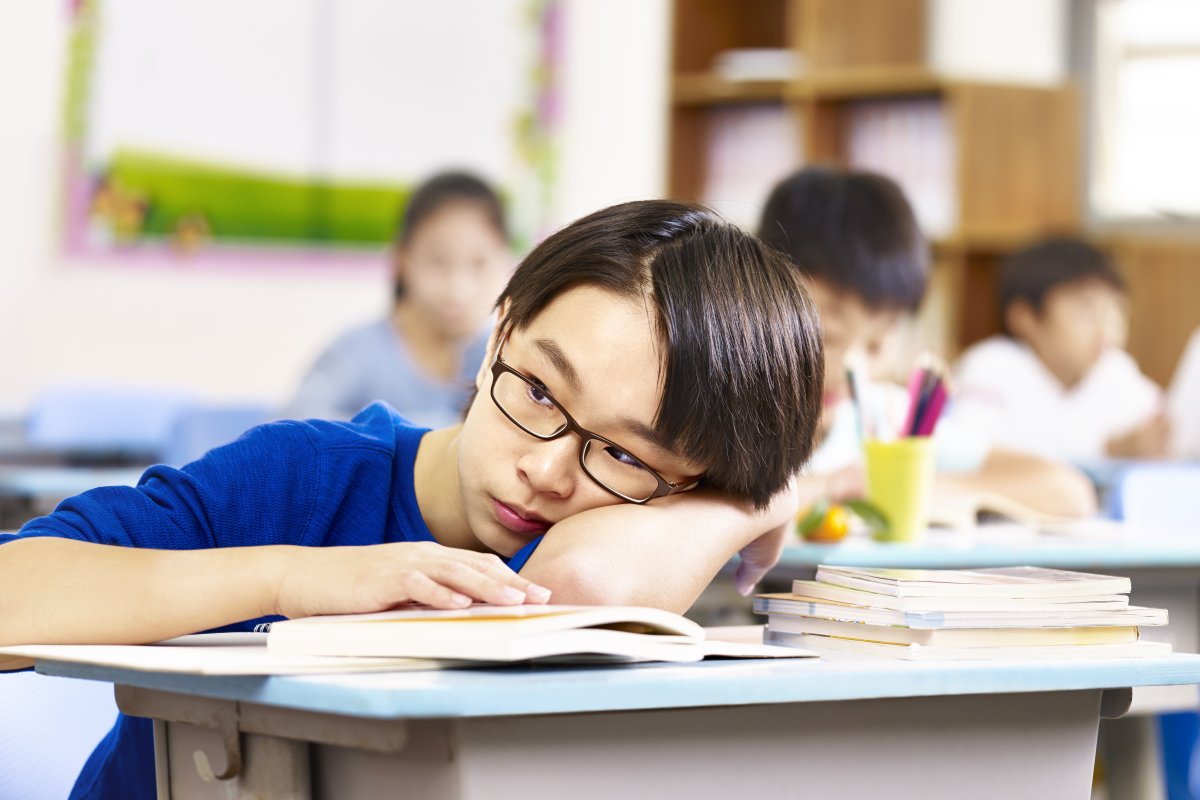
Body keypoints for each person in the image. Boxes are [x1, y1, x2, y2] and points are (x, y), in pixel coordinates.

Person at [0, 199, 824, 800]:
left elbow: (582, 591)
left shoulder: (624, 539)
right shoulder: (306, 476)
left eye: (619, 452)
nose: (546, 471)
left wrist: (763, 496)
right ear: (499, 333)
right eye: (537, 390)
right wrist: (290, 581)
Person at [757, 167, 1096, 517]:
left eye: (876, 343)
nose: (851, 366)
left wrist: (920, 487)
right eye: (829, 336)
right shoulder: (731, 414)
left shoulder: (889, 421)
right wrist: (833, 487)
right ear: (756, 303)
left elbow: (1069, 492)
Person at [287, 171, 513, 428]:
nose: (457, 289)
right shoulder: (361, 352)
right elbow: (291, 426)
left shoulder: (497, 357)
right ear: (402, 259)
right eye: (437, 262)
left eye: (479, 264)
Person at [951, 237, 1168, 463]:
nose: (1107, 331)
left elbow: (1164, 425)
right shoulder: (993, 366)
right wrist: (1107, 452)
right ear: (1026, 318)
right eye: (1087, 311)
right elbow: (974, 457)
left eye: (1116, 311)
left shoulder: (1114, 369)